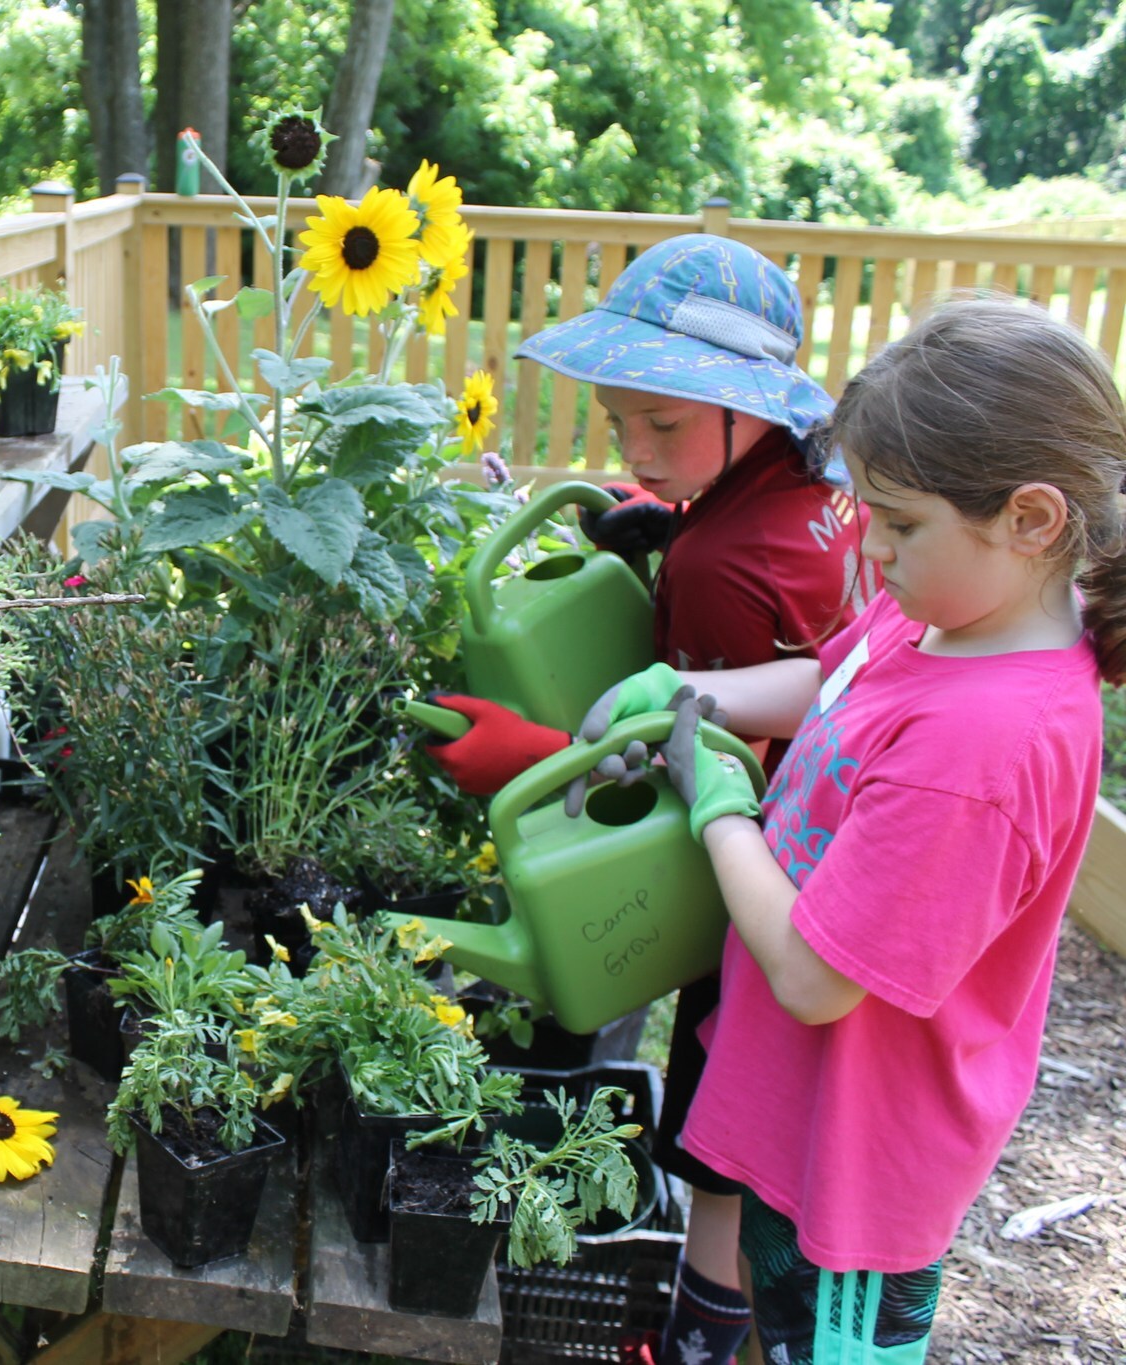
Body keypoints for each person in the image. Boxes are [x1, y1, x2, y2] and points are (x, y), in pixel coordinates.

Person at [592, 297, 1120, 1360]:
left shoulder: (979, 749)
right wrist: (696, 696)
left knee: (812, 1339)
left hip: (857, 1157)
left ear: (1030, 519)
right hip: (802, 1102)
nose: (868, 548)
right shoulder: (940, 609)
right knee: (757, 1294)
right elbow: (830, 683)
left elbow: (814, 976)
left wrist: (718, 802)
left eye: (900, 522)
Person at [423, 234, 870, 1365]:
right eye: (621, 418)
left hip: (764, 874)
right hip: (826, 856)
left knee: (719, 1112)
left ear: (744, 411)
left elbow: (703, 787)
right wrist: (662, 515)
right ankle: (715, 1325)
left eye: (662, 428)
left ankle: (703, 1338)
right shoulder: (815, 483)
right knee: (754, 1123)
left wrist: (533, 752)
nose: (634, 447)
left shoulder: (723, 568)